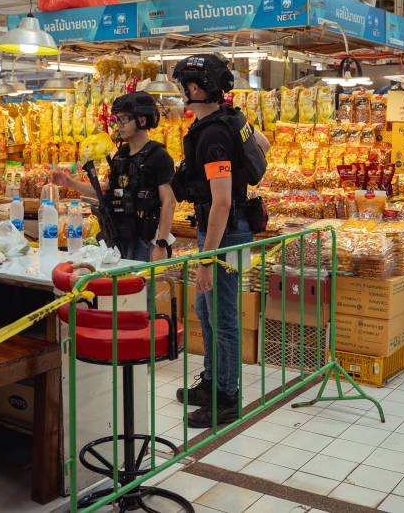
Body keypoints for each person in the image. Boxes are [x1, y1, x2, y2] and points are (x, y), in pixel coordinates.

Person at [170, 54, 269, 428]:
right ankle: (212, 382)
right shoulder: (233, 118)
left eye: (183, 87)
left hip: (223, 232)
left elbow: (223, 201)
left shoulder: (212, 135)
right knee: (207, 310)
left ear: (195, 89)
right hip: (227, 227)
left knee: (223, 317)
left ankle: (227, 398)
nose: (181, 93)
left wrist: (208, 259)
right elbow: (264, 143)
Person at [51, 91, 176, 263]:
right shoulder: (120, 155)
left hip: (145, 242)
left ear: (142, 120)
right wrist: (70, 182)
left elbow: (169, 202)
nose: (119, 125)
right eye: (117, 120)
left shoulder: (159, 156)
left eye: (124, 119)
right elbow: (105, 192)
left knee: (142, 287)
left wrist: (161, 245)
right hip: (118, 238)